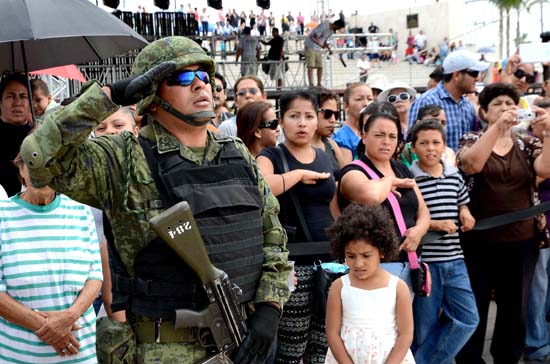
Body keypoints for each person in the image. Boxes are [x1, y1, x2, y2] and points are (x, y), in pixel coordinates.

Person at [21, 36, 292, 364]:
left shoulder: (236, 154)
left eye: (203, 76)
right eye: (180, 77)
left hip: (245, 342)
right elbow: (39, 156)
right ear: (150, 96)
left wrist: (269, 308)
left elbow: (273, 238)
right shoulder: (124, 158)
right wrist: (109, 97)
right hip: (163, 350)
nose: (198, 85)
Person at [455, 83, 550, 364]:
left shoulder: (526, 142)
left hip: (522, 240)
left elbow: (545, 170)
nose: (505, 108)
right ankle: (470, 359)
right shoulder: (471, 138)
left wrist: (548, 133)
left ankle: (507, 357)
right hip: (479, 241)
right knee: (477, 303)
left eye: (510, 103)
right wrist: (496, 129)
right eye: (497, 104)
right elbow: (472, 164)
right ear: (483, 112)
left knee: (514, 307)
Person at [256, 90, 336, 364]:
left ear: (317, 121)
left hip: (329, 261)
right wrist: (298, 174)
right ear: (281, 120)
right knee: (291, 346)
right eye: (294, 116)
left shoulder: (324, 156)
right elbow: (262, 187)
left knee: (322, 344)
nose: (302, 123)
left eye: (309, 116)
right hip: (291, 262)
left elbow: (333, 207)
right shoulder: (271, 155)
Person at [0, 151, 102, 363]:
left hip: (82, 355)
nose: (41, 173)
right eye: (33, 165)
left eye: (50, 165)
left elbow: (95, 277)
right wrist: (52, 329)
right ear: (21, 169)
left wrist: (69, 317)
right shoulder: (3, 216)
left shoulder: (81, 212)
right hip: (20, 356)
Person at [407, 119, 479, 363]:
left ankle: (422, 361)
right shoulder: (410, 179)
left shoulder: (454, 174)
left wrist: (465, 213)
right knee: (424, 327)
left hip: (456, 261)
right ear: (413, 147)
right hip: (427, 264)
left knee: (469, 318)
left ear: (444, 146)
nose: (430, 148)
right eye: (423, 143)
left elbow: (462, 202)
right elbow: (409, 217)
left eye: (436, 142)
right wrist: (435, 224)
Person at [337, 111, 430, 292]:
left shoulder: (401, 168)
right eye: (379, 135)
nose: (386, 141)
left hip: (410, 261)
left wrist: (418, 231)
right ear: (364, 137)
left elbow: (423, 210)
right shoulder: (353, 171)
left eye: (392, 136)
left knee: (405, 320)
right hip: (374, 266)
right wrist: (389, 181)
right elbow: (371, 197)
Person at [324, 203, 415, 364]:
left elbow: (406, 335)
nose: (358, 263)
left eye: (366, 255)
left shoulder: (398, 288)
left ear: (381, 251)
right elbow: (332, 333)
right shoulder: (339, 287)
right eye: (351, 256)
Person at [408, 50, 489, 151]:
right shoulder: (426, 101)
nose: (478, 78)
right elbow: (411, 143)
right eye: (474, 73)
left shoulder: (468, 106)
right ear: (457, 75)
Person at [524, 99, 550, 364]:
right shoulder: (530, 144)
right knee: (537, 290)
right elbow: (537, 176)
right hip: (540, 228)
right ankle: (537, 345)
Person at [0, 73, 33, 197]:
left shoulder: (39, 136)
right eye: (10, 96)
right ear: (0, 102)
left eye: (23, 96)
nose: (17, 102)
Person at [401, 104, 457, 168]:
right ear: (418, 123)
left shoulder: (449, 153)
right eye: (433, 121)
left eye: (443, 123)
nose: (439, 125)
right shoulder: (406, 151)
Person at [333, 82, 374, 164]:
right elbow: (346, 171)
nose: (366, 104)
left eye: (370, 99)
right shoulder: (342, 138)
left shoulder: (373, 130)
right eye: (359, 99)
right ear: (346, 106)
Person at [304, 19, 345, 87]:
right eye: (338, 28)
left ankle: (319, 84)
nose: (337, 29)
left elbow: (324, 39)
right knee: (310, 66)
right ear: (336, 25)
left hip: (318, 48)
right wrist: (321, 45)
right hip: (310, 45)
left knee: (320, 67)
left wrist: (328, 49)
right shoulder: (325, 25)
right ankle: (311, 84)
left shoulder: (331, 31)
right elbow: (315, 36)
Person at [311, 88, 345, 171]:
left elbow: (345, 178)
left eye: (336, 114)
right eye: (328, 114)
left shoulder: (332, 145)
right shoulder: (296, 147)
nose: (333, 119)